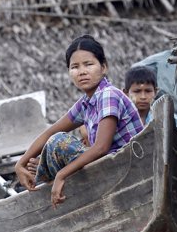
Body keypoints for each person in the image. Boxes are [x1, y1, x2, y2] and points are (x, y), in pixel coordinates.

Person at [15, 35, 144, 208]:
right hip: (112, 168)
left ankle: (47, 177)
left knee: (59, 142)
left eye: (88, 64)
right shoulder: (86, 103)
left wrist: (61, 174)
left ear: (103, 67)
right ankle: (44, 175)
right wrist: (20, 163)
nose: (82, 71)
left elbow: (101, 147)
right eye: (74, 67)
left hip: (129, 168)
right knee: (52, 143)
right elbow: (49, 131)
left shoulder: (108, 94)